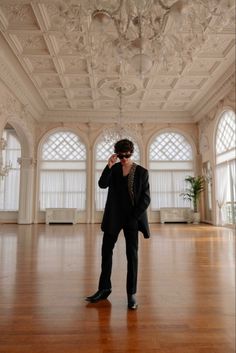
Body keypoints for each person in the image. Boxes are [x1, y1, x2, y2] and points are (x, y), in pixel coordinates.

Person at [86, 139, 151, 310]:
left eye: (126, 155)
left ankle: (131, 294)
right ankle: (104, 289)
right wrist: (108, 165)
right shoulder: (114, 169)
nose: (123, 159)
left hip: (132, 218)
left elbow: (146, 198)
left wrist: (134, 216)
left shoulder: (142, 172)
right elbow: (102, 184)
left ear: (131, 153)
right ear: (116, 154)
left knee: (132, 256)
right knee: (106, 252)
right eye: (120, 155)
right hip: (113, 217)